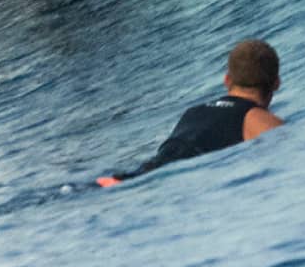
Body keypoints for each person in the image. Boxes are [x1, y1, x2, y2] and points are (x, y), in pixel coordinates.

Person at [96, 40, 282, 186]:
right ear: (276, 83)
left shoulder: (193, 112)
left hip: (145, 170)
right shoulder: (257, 118)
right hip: (169, 177)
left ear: (227, 80)